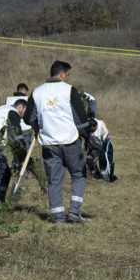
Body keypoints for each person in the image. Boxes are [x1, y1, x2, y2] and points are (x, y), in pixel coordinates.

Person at [29, 60, 94, 223]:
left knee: (54, 180)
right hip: (70, 141)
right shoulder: (69, 90)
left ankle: (57, 217)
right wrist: (87, 136)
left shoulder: (37, 92)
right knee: (79, 175)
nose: (68, 78)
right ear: (62, 74)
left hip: (48, 144)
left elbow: (28, 117)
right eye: (68, 75)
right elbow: (80, 117)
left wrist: (39, 129)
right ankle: (74, 212)